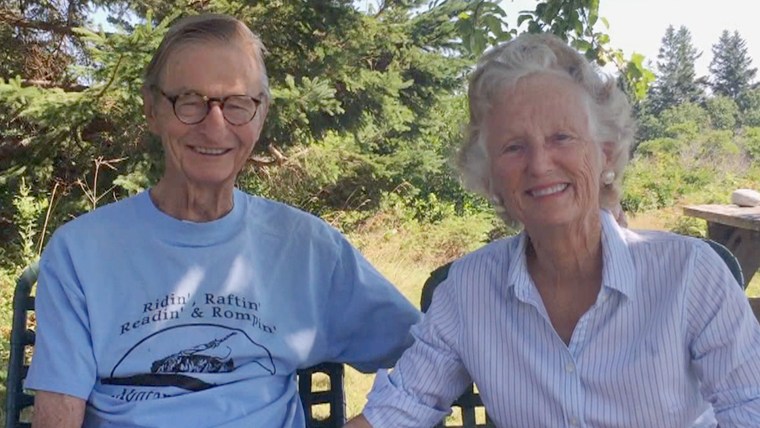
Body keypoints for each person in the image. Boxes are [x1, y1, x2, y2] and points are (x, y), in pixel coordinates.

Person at [25, 13, 421, 428]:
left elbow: (433, 354)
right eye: (190, 102)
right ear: (152, 109)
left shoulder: (305, 248)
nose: (215, 126)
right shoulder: (81, 252)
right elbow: (58, 416)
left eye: (237, 104)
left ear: (261, 113)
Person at [345, 33, 760, 427]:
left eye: (562, 137)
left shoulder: (690, 274)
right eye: (513, 147)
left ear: (606, 155)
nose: (540, 164)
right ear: (490, 177)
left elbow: (749, 407)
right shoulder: (468, 291)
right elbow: (402, 406)